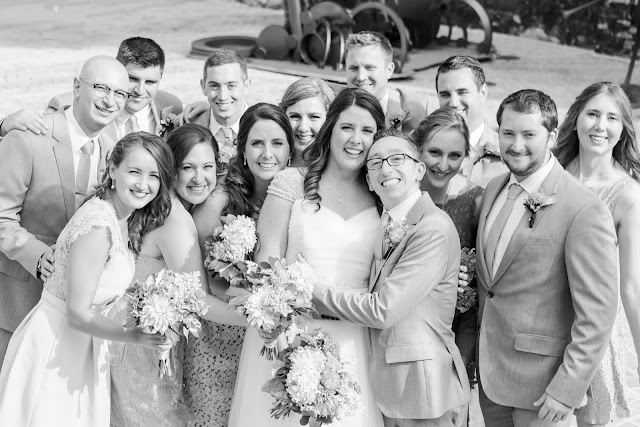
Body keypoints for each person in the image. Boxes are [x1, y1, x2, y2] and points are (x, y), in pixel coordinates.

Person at [229, 88, 386, 426]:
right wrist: (280, 326)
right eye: (347, 127)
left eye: (367, 131)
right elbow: (267, 257)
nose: (356, 140)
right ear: (330, 129)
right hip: (290, 337)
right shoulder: (291, 182)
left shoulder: (381, 197)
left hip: (355, 345)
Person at [0, 132, 176, 427]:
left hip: (84, 346)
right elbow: (78, 314)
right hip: (57, 346)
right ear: (112, 170)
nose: (143, 184)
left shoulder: (121, 219)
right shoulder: (98, 224)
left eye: (154, 176)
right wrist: (134, 336)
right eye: (134, 172)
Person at [476, 89, 619, 426]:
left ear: (552, 136)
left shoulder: (583, 209)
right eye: (508, 133)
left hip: (544, 392)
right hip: (490, 383)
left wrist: (567, 388)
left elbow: (597, 314)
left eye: (529, 134)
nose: (516, 144)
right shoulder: (495, 187)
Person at [312, 128, 470, 426]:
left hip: (424, 391)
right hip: (390, 388)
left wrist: (314, 291)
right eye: (375, 163)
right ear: (369, 180)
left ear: (419, 169)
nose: (386, 168)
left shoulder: (432, 228)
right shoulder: (385, 222)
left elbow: (383, 309)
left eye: (397, 159)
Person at [109, 124, 246, 427]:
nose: (199, 178)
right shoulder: (175, 219)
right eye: (188, 167)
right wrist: (257, 317)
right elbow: (201, 302)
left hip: (133, 335)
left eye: (207, 166)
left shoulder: (160, 202)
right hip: (144, 347)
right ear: (172, 168)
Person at [0, 55, 129, 366]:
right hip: (17, 301)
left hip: (73, 317)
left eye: (120, 94)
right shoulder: (29, 136)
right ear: (76, 86)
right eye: (100, 88)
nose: (110, 101)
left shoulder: (115, 150)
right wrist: (37, 255)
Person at [186, 103, 293, 426]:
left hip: (270, 342)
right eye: (257, 143)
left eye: (277, 143)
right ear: (242, 149)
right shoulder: (218, 200)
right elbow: (197, 282)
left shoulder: (296, 197)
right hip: (218, 340)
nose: (267, 153)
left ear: (290, 149)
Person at [553, 81, 640, 426]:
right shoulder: (552, 172)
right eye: (592, 114)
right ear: (576, 119)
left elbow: (631, 287)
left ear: (623, 130)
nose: (600, 126)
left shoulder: (628, 195)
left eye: (612, 118)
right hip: (543, 317)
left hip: (594, 329)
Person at [413, 106, 482, 383]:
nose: (443, 165)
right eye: (435, 153)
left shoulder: (473, 204)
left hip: (451, 340)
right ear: (417, 149)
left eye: (454, 156)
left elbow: (479, 293)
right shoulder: (395, 200)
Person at [47, 37, 183, 139]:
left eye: (150, 82)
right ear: (117, 70)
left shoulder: (172, 106)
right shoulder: (68, 104)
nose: (140, 91)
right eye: (133, 79)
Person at [435, 55, 508, 187]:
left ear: (483, 93)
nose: (453, 103)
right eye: (445, 94)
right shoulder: (418, 146)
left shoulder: (507, 153)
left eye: (462, 92)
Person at [345, 31, 438, 134]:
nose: (361, 77)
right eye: (353, 68)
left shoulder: (423, 109)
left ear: (389, 70)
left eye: (369, 68)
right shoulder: (328, 103)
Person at [182, 49, 251, 164]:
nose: (223, 96)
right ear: (203, 86)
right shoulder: (187, 126)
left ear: (246, 86)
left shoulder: (265, 126)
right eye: (214, 86)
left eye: (231, 86)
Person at [280, 77, 335, 167]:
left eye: (314, 117)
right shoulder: (271, 161)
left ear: (329, 119)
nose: (303, 128)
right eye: (295, 116)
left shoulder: (336, 169)